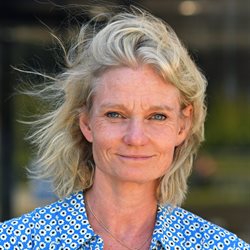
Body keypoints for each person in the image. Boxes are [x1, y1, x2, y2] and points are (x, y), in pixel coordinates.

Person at [0, 6, 249, 250]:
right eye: (115, 114)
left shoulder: (221, 246)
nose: (136, 137)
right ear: (86, 123)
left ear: (182, 125)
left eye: (158, 116)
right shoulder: (16, 241)